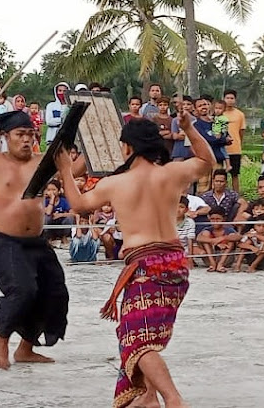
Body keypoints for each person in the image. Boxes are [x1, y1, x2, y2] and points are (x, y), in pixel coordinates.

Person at [55, 113, 215, 408]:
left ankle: (173, 399)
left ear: (127, 148)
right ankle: (146, 396)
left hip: (146, 268)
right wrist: (190, 129)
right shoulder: (173, 173)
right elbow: (207, 162)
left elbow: (78, 205)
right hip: (176, 264)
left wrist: (65, 169)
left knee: (139, 340)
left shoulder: (115, 183)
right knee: (144, 335)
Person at [0, 110, 76, 370]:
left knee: (53, 293)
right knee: (22, 290)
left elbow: (76, 169)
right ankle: (1, 337)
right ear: (6, 137)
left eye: (30, 134)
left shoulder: (43, 161)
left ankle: (26, 349)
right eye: (20, 135)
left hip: (37, 241)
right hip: (6, 240)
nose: (26, 140)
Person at [223, 89, 245, 192]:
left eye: (232, 98)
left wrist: (239, 143)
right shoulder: (219, 113)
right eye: (227, 98)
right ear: (224, 99)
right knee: (221, 175)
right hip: (221, 149)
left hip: (235, 149)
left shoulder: (240, 114)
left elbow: (241, 132)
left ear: (235, 100)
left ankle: (236, 195)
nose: (229, 100)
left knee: (235, 174)